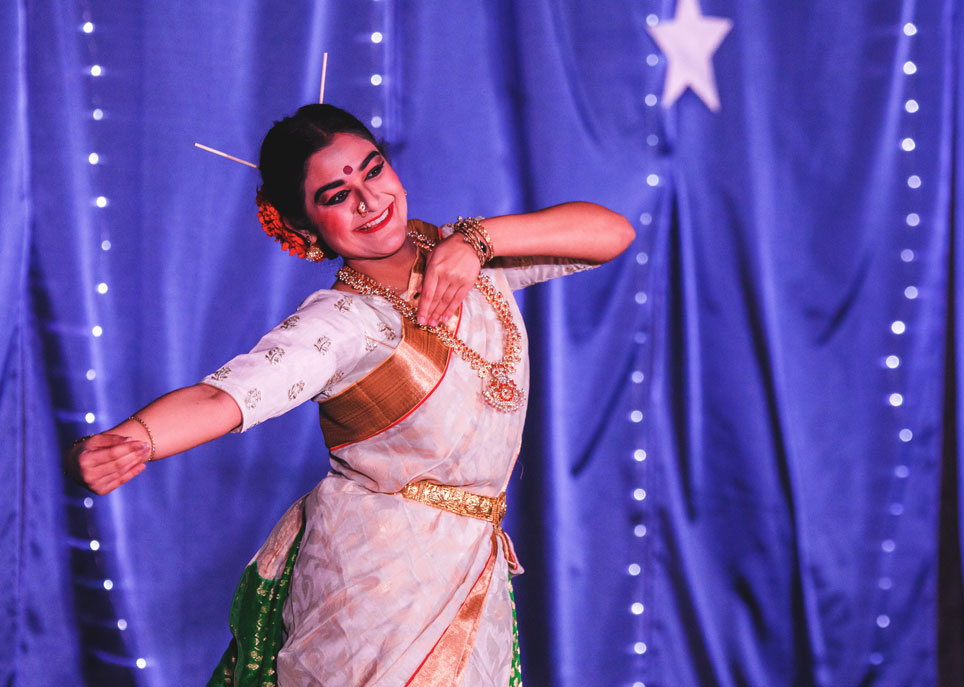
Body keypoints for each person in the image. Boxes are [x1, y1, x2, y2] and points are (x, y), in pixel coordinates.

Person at [64, 104, 634, 687]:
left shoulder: (467, 261)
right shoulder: (342, 321)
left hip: (466, 565)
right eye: (336, 195)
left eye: (373, 170)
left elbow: (612, 233)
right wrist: (133, 439)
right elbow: (222, 400)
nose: (368, 199)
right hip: (375, 584)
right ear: (305, 228)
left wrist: (477, 240)